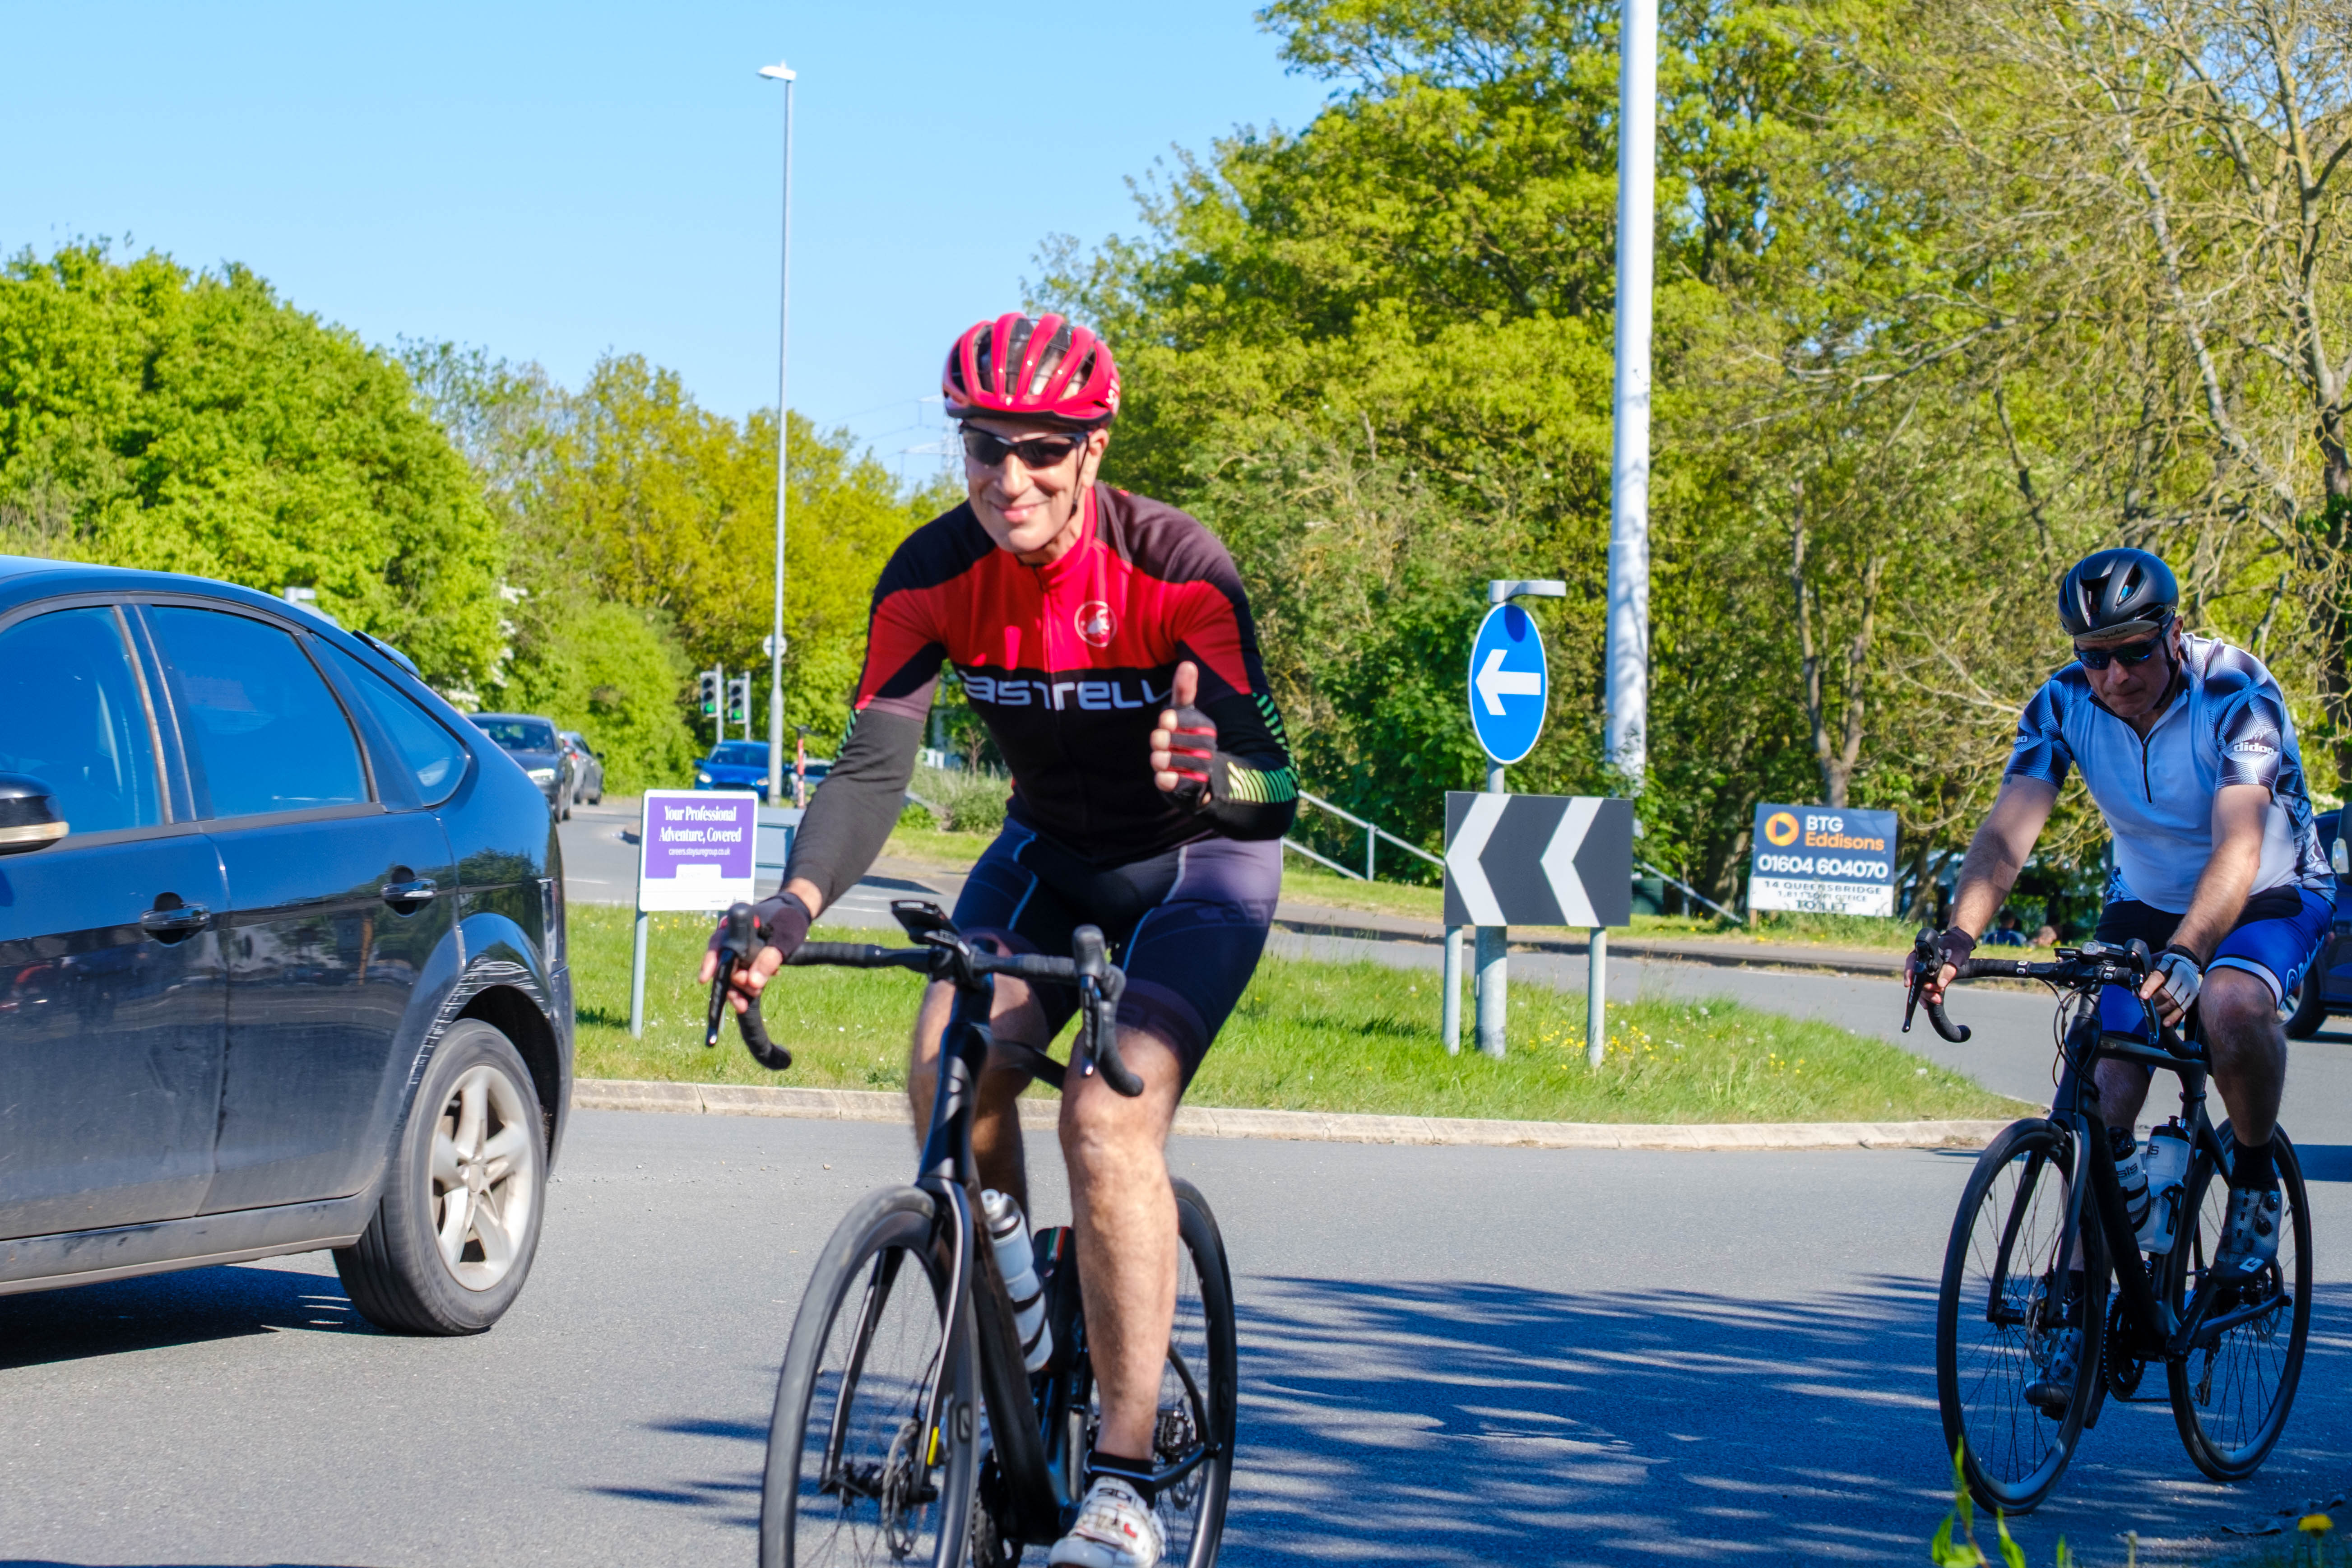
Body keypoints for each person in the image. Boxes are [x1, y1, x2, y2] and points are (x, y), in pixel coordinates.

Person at [703, 312, 1297, 1568]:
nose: (1008, 477)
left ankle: (1125, 1484)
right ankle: (1017, 1313)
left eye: (1039, 449)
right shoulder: (930, 575)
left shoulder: (1177, 566)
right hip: (1049, 853)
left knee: (1104, 1117)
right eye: (984, 446)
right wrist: (788, 910)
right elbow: (870, 770)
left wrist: (1213, 769)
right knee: (944, 1059)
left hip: (1198, 861)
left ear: (1090, 450)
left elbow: (1274, 785)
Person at [1911, 547, 2333, 1416]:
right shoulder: (2064, 702)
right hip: (2144, 895)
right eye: (2093, 653)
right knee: (2101, 1080)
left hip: (2266, 887)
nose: (2113, 673)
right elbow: (2005, 833)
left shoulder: (2236, 692)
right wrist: (1959, 935)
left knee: (2230, 1001)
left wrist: (2189, 952)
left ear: (2174, 633)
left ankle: (2251, 1183)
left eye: (2134, 651)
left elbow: (2240, 844)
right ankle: (2079, 1308)